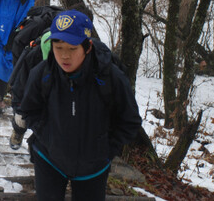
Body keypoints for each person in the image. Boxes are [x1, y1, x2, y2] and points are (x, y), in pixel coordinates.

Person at [18, 10, 142, 201]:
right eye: (58, 48)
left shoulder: (110, 78)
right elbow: (29, 109)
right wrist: (48, 137)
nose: (64, 56)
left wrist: (105, 150)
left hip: (93, 167)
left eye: (72, 49)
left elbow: (130, 120)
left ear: (88, 47)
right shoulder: (42, 74)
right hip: (49, 159)